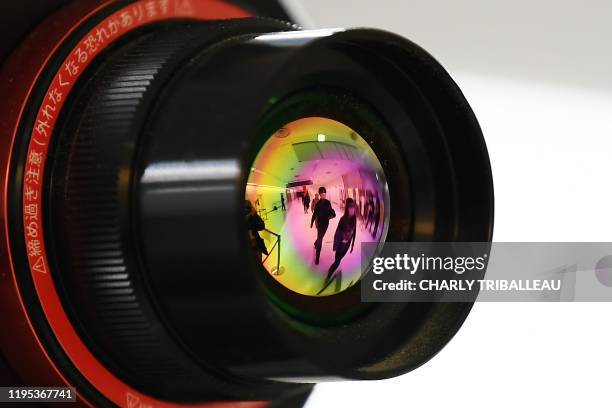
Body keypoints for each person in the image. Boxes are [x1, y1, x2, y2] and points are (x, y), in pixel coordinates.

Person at [319, 197, 357, 294]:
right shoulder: (343, 219)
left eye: (353, 207)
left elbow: (354, 232)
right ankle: (329, 275)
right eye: (350, 207)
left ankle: (332, 270)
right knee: (337, 261)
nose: (352, 209)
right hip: (341, 245)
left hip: (347, 246)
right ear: (347, 208)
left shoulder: (354, 219)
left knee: (338, 260)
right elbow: (337, 233)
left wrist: (352, 245)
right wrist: (336, 246)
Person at [310, 186, 335, 264]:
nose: (324, 195)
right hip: (320, 224)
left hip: (326, 224)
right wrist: (311, 222)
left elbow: (331, 212)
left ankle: (315, 243)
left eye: (325, 193)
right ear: (320, 194)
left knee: (320, 237)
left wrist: (331, 216)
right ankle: (317, 257)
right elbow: (314, 214)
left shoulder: (328, 202)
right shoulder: (317, 204)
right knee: (320, 240)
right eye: (322, 194)